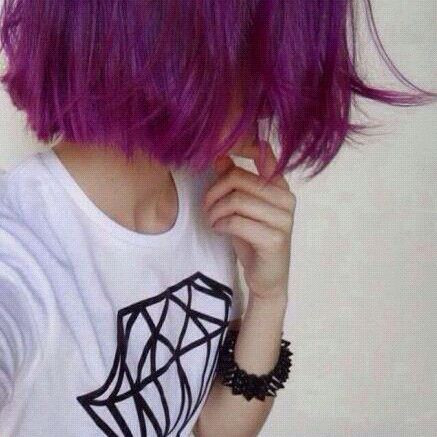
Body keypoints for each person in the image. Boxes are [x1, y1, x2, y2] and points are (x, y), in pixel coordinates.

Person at [0, 1, 435, 436]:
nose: (270, 100)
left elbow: (213, 427)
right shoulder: (18, 252)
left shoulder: (206, 194)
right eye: (257, 49)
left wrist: (268, 299)